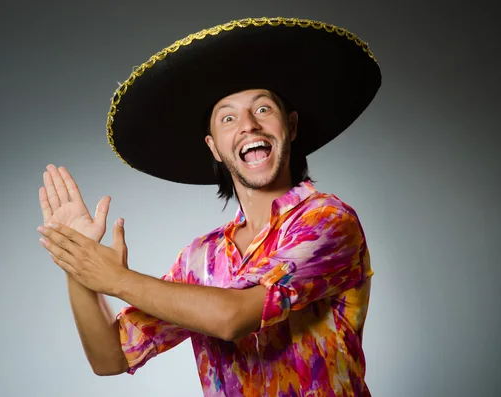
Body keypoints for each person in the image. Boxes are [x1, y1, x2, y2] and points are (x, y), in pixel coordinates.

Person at [37, 17, 381, 396]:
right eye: (228, 118)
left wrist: (116, 279)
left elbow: (232, 317)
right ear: (215, 147)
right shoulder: (201, 259)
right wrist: (78, 262)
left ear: (291, 126)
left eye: (263, 109)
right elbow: (110, 358)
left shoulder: (328, 221)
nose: (248, 125)